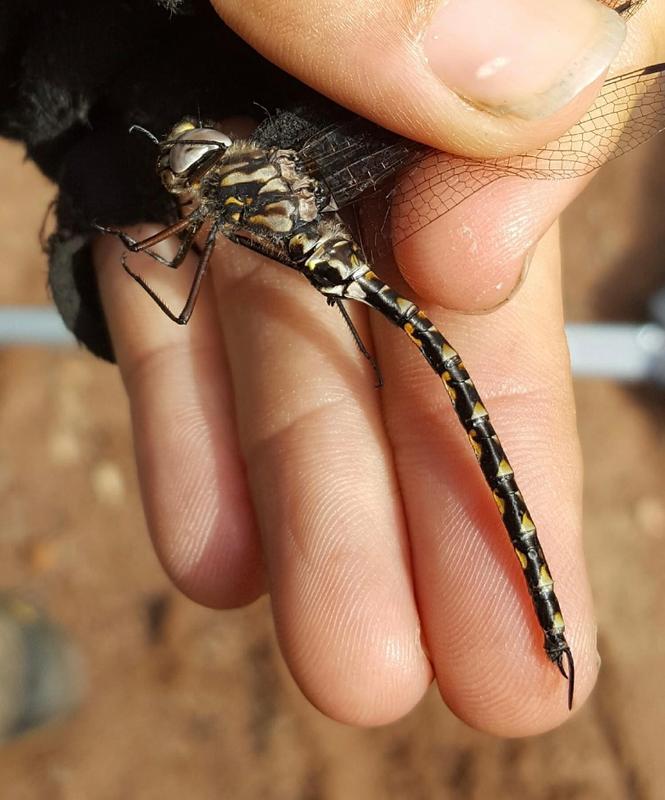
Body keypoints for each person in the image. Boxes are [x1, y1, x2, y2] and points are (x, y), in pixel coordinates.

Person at [92, 0, 661, 735]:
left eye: (185, 162)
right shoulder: (275, 165)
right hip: (371, 276)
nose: (184, 158)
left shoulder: (212, 212)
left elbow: (171, 288)